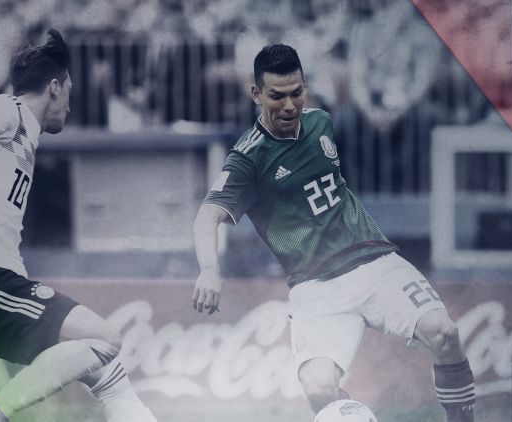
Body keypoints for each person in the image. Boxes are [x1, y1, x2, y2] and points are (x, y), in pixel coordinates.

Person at [191, 43, 475, 422]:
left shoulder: (320, 122)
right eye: (276, 96)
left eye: (296, 93)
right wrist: (209, 270)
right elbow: (207, 216)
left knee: (444, 332)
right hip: (315, 289)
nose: (289, 106)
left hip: (373, 262)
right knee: (319, 390)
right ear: (256, 94)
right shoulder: (248, 159)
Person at [0, 29, 157, 422]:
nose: (70, 106)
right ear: (55, 87)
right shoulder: (11, 111)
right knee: (106, 338)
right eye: (69, 93)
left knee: (107, 371)